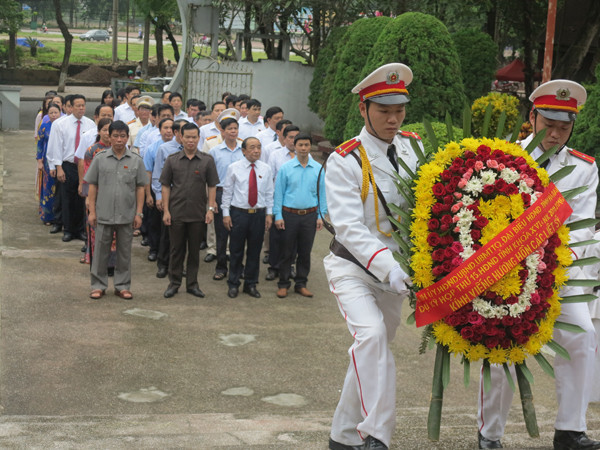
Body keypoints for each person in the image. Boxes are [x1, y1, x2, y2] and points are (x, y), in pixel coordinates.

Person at [477, 80, 600, 450]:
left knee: (582, 336)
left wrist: (556, 266)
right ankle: (490, 434)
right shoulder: (504, 158)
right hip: (507, 278)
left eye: (565, 127)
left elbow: (581, 228)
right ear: (532, 117)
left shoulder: (583, 168)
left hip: (560, 275)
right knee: (500, 353)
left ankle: (570, 430)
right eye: (549, 124)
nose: (556, 134)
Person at [323, 63, 420, 450]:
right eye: (383, 111)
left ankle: (341, 437)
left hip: (398, 276)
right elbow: (349, 227)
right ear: (364, 109)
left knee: (370, 355)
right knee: (373, 337)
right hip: (353, 268)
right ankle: (375, 435)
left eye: (399, 110)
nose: (393, 119)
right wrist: (388, 267)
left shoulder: (415, 146)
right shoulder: (345, 159)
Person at [84, 120, 147, 300]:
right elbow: (93, 186)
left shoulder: (136, 160)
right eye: (115, 136)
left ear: (128, 138)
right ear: (109, 137)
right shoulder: (100, 158)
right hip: (103, 213)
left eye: (123, 136)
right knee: (100, 252)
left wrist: (139, 213)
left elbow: (140, 188)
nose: (119, 140)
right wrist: (92, 212)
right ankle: (98, 285)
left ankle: (122, 286)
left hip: (127, 215)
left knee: (124, 253)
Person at [160, 122, 219, 299]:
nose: (191, 140)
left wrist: (210, 209)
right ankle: (174, 283)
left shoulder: (207, 160)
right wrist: (166, 211)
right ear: (181, 137)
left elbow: (212, 185)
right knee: (176, 250)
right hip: (176, 212)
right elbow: (165, 186)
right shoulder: (172, 160)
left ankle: (192, 284)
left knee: (194, 252)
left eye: (194, 137)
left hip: (198, 213)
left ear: (198, 138)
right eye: (187, 137)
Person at [273, 133, 325, 299]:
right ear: (294, 147)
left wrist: (321, 216)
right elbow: (278, 193)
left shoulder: (317, 169)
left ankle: (301, 283)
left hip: (309, 216)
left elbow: (322, 194)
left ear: (310, 147)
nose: (303, 148)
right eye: (300, 145)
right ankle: (283, 283)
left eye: (307, 145)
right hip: (289, 215)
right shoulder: (286, 168)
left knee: (305, 251)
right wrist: (278, 215)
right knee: (287, 251)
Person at [222, 137, 274, 298]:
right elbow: (227, 193)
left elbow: (269, 193)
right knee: (236, 251)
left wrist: (269, 214)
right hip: (239, 214)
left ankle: (250, 284)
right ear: (243, 151)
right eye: (252, 147)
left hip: (258, 215)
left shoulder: (266, 169)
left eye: (258, 147)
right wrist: (225, 214)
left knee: (254, 251)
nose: (256, 151)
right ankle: (233, 283)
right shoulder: (234, 168)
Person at [47, 94, 95, 242]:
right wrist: (58, 167)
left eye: (83, 105)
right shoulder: (61, 124)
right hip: (67, 165)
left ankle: (80, 230)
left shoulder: (90, 124)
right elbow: (56, 147)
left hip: (85, 166)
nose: (81, 108)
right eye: (78, 105)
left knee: (82, 198)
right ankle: (68, 230)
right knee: (67, 198)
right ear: (70, 107)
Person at [209, 116, 244, 280]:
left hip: (239, 195)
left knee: (239, 233)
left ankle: (238, 267)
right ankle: (221, 267)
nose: (233, 131)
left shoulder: (243, 150)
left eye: (235, 128)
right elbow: (210, 179)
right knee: (221, 234)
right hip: (220, 193)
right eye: (229, 129)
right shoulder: (215, 152)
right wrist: (212, 201)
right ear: (222, 131)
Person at [80, 118, 114, 267]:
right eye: (105, 130)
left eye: (110, 130)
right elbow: (88, 176)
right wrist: (88, 197)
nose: (107, 133)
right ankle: (96, 261)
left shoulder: (119, 149)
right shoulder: (92, 151)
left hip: (114, 196)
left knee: (114, 233)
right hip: (96, 196)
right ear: (99, 131)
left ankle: (112, 263)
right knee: (95, 230)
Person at [36, 103, 62, 225]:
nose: (53, 115)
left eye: (56, 112)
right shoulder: (45, 126)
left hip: (61, 159)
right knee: (48, 188)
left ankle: (60, 216)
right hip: (47, 161)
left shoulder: (63, 126)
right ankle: (48, 216)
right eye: (51, 113)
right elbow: (40, 143)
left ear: (60, 112)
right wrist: (39, 160)